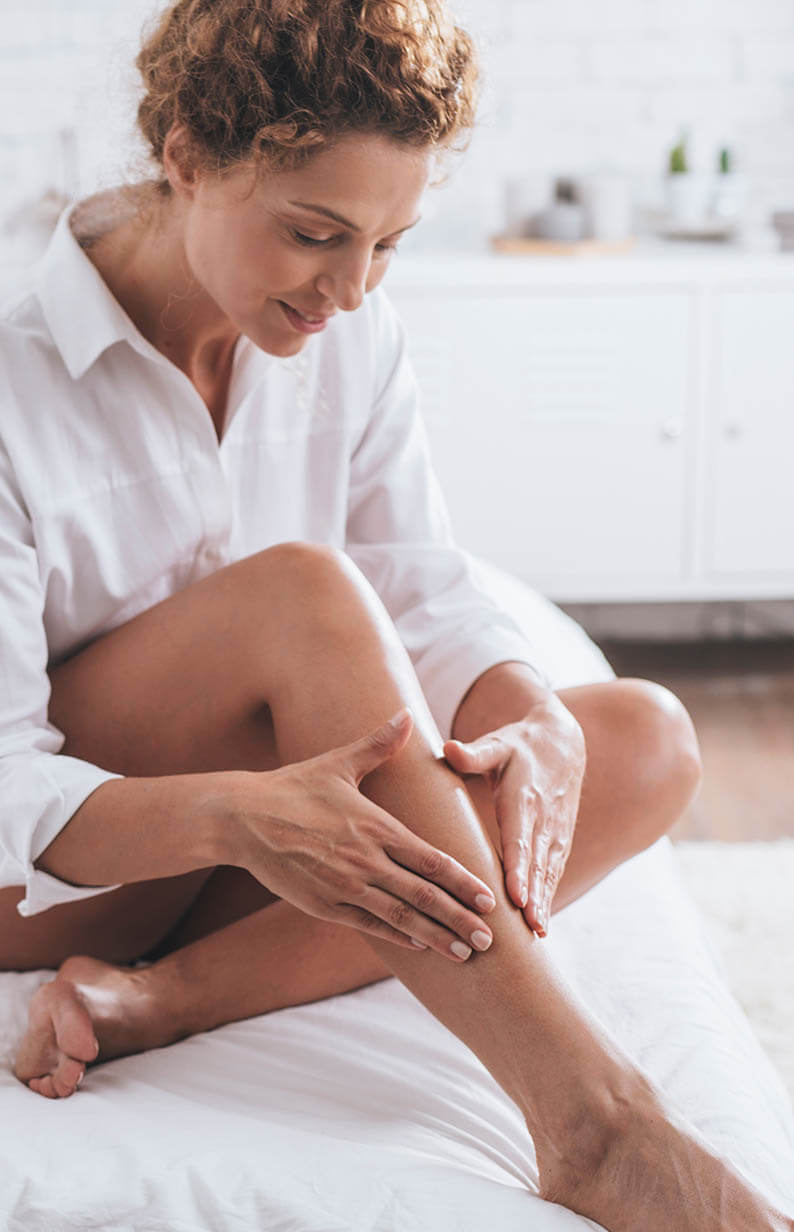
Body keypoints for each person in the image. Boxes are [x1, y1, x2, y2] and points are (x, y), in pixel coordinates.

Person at [0, 1, 790, 1228]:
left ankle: (164, 998)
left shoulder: (351, 339)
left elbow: (423, 591)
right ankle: (591, 1117)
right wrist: (234, 814)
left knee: (638, 738)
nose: (350, 292)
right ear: (187, 156)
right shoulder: (15, 374)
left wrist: (527, 714)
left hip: (263, 830)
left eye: (388, 245)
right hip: (52, 867)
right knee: (303, 595)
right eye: (314, 233)